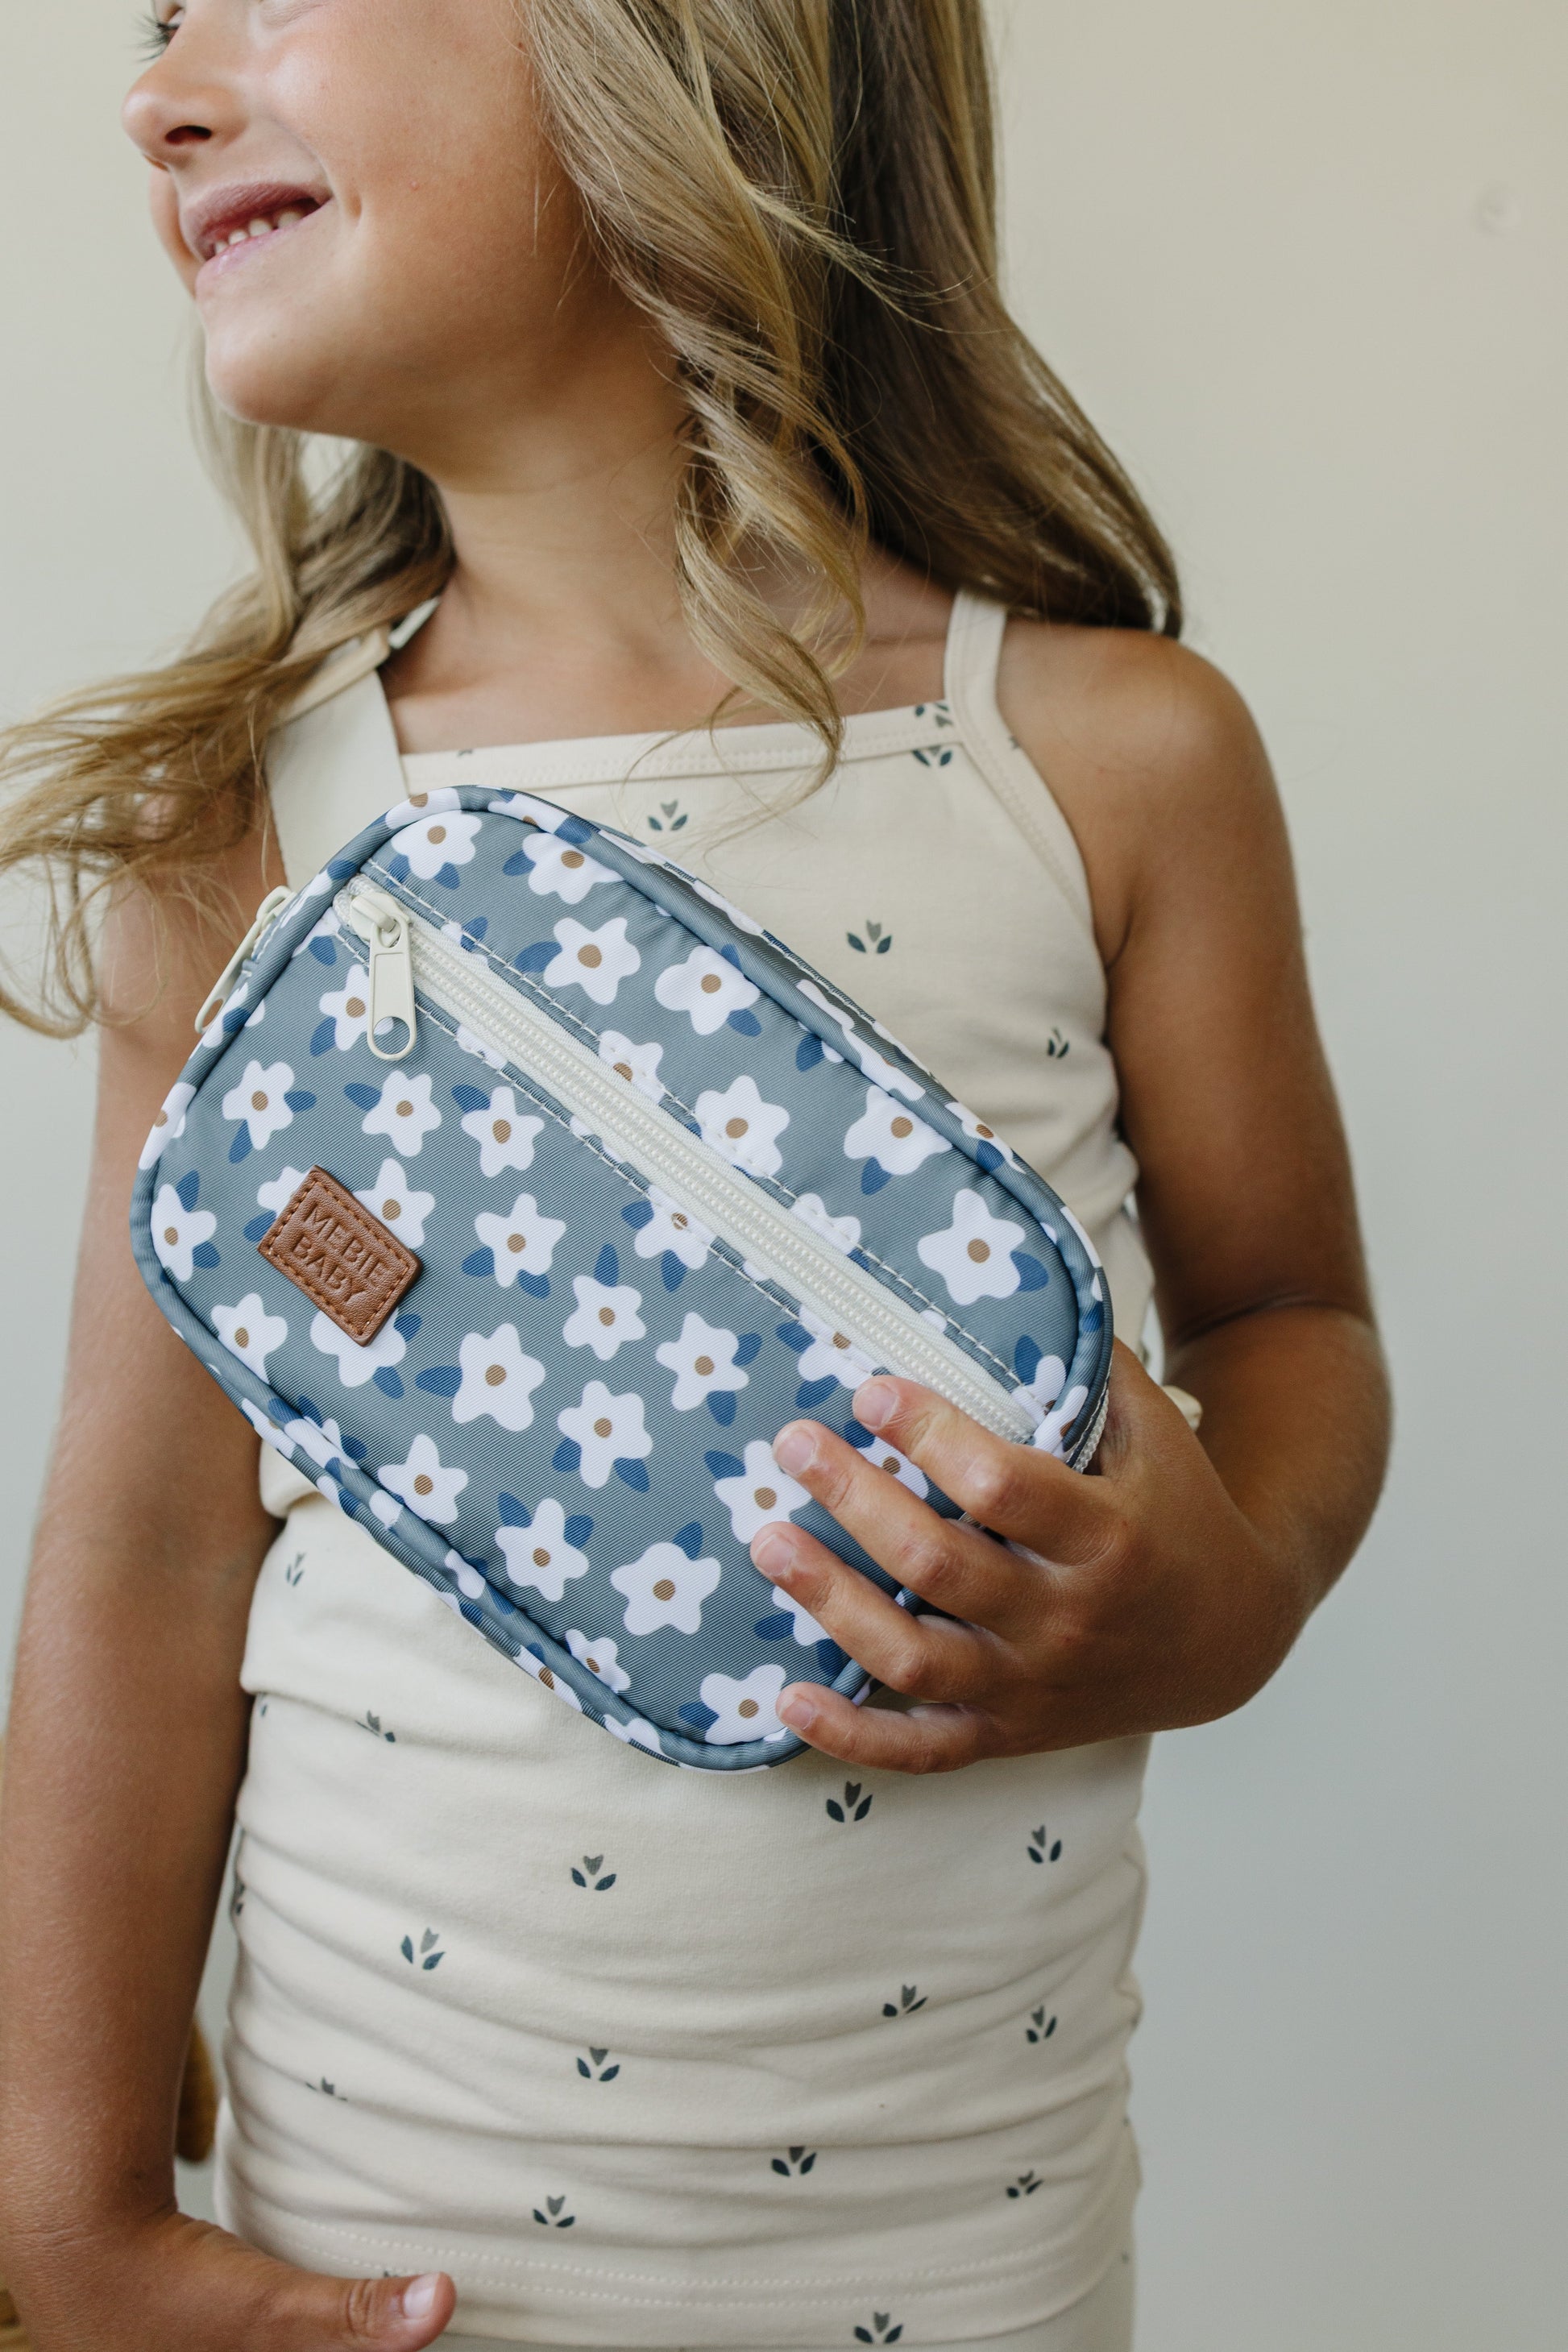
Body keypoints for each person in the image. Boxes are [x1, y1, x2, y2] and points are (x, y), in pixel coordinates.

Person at [0, 2, 1390, 2347]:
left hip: (966, 2258)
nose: (160, 91)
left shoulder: (1103, 761)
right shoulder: (246, 841)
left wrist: (1241, 1594)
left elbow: (1289, 1321)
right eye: (155, 20)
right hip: (379, 2265)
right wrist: (64, 2210)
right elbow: (140, 1557)